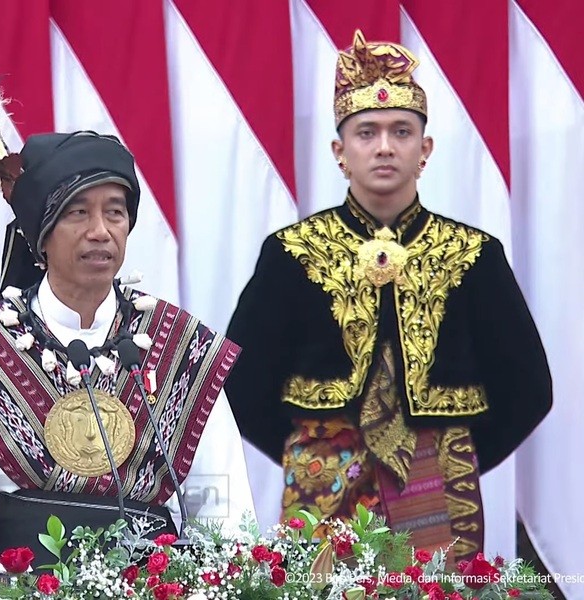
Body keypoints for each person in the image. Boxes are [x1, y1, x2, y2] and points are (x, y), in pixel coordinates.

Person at [225, 30, 552, 562]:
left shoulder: (472, 254)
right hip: (323, 473)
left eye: (401, 131)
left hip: (440, 477)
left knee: (439, 593)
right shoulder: (293, 253)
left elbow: (529, 386)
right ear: (340, 152)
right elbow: (239, 379)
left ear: (425, 149)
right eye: (366, 132)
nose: (384, 147)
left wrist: (461, 457)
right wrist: (304, 449)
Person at [0, 128, 255, 583]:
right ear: (41, 233)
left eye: (115, 211)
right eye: (78, 212)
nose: (100, 231)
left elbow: (223, 513)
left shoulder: (180, 349)